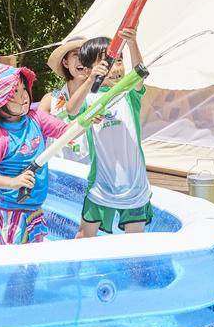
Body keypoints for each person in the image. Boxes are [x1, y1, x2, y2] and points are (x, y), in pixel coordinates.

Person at [65, 30, 152, 238]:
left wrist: (132, 43)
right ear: (88, 70)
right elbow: (71, 110)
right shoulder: (89, 98)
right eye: (106, 64)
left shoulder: (129, 93)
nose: (116, 69)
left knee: (135, 240)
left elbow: (140, 73)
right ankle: (78, 268)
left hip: (134, 183)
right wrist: (90, 80)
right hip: (101, 184)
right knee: (85, 235)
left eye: (119, 61)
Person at [0, 63, 70, 245]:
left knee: (32, 267)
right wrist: (13, 182)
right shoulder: (0, 138)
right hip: (12, 212)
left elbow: (66, 131)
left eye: (24, 88)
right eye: (15, 92)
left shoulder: (36, 118)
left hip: (34, 209)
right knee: (13, 268)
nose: (23, 95)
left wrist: (87, 120)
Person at [38, 36, 93, 163]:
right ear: (65, 62)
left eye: (86, 55)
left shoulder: (99, 96)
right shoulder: (49, 100)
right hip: (57, 169)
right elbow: (35, 133)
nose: (82, 59)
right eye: (76, 54)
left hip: (91, 170)